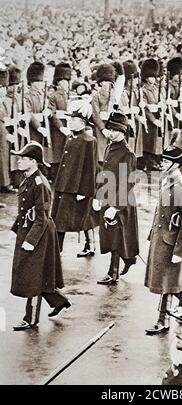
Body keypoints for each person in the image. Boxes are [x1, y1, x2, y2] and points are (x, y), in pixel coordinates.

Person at [10, 141, 71, 331]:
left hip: (39, 235)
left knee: (33, 277)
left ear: (34, 162)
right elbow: (25, 209)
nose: (19, 162)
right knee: (39, 275)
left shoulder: (40, 184)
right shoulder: (26, 178)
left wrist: (30, 241)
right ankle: (59, 302)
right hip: (28, 231)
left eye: (24, 159)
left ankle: (31, 318)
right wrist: (17, 229)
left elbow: (42, 217)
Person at [145, 146, 182, 334]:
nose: (162, 163)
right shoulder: (165, 181)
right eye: (163, 160)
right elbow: (160, 212)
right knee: (168, 281)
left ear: (175, 164)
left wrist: (181, 251)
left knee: (170, 282)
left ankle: (163, 320)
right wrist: (152, 233)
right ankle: (173, 316)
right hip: (162, 238)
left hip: (172, 243)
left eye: (166, 161)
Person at [51, 95, 98, 256]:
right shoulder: (71, 137)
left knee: (83, 217)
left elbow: (90, 169)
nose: (69, 122)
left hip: (76, 188)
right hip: (63, 184)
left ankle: (90, 244)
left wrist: (85, 191)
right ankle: (56, 249)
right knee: (58, 219)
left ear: (82, 123)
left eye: (73, 119)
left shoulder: (89, 140)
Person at [97, 111, 139, 285]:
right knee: (111, 234)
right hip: (107, 196)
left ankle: (113, 273)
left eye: (116, 130)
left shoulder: (127, 153)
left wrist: (116, 207)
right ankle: (129, 259)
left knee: (115, 235)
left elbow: (128, 183)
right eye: (110, 129)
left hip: (121, 201)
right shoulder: (110, 147)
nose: (112, 133)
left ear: (123, 132)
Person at [48, 62, 72, 183]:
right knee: (57, 152)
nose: (67, 84)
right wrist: (61, 127)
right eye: (64, 81)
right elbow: (52, 114)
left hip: (68, 124)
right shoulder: (53, 96)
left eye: (67, 81)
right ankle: (55, 176)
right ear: (59, 82)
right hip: (58, 128)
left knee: (66, 151)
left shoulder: (69, 96)